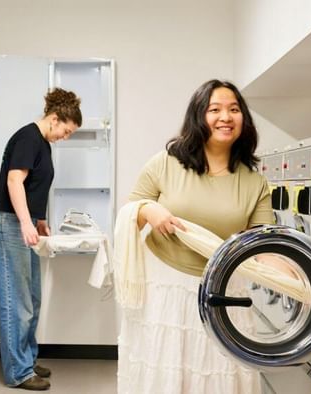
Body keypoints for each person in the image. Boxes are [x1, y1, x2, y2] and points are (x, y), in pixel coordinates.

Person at [116, 79, 273, 393]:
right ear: (198, 116)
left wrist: (304, 279)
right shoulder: (165, 163)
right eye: (215, 109)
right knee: (166, 370)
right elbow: (128, 213)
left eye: (234, 109)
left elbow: (262, 248)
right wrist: (148, 210)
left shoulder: (255, 183)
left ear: (244, 119)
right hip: (166, 288)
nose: (225, 117)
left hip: (224, 291)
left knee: (221, 370)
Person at [0, 88, 82, 391]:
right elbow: (15, 181)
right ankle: (18, 372)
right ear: (54, 119)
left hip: (21, 225)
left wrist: (38, 220)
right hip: (6, 225)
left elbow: (33, 187)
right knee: (17, 302)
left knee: (32, 299)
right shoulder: (28, 137)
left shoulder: (43, 143)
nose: (64, 138)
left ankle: (26, 358)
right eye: (65, 131)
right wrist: (25, 222)